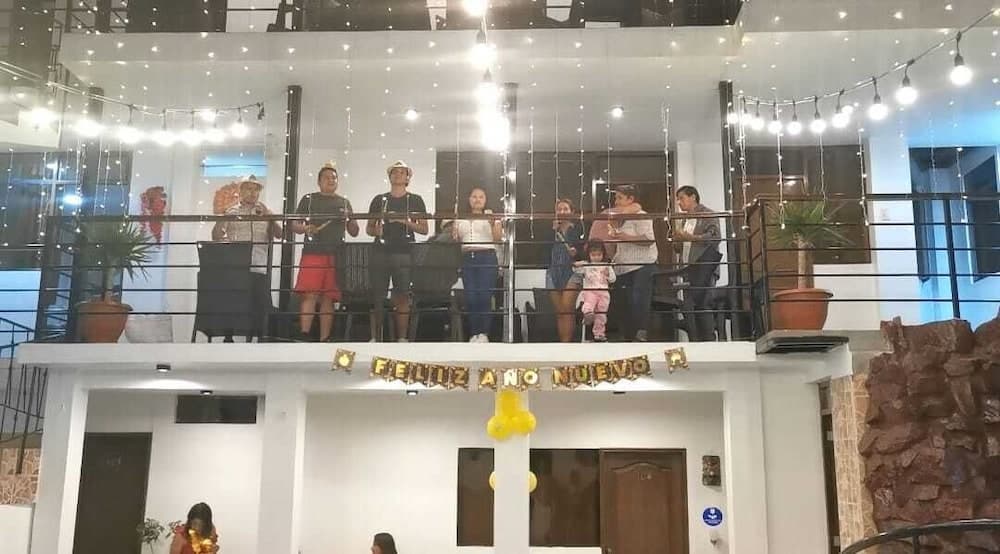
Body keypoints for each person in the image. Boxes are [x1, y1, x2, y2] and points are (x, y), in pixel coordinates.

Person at [290, 162, 360, 342]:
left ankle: (325, 338)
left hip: (337, 255)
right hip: (312, 252)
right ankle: (304, 335)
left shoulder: (344, 202)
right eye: (327, 177)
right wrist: (306, 229)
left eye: (334, 178)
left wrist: (349, 219)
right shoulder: (309, 199)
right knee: (310, 294)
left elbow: (354, 231)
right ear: (319, 181)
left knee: (329, 297)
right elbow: (294, 225)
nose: (331, 180)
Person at [211, 177, 281, 342]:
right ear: (241, 191)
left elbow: (279, 234)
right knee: (233, 304)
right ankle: (228, 339)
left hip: (259, 266)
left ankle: (260, 340)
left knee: (260, 306)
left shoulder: (265, 211)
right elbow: (216, 236)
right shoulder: (231, 212)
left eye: (256, 189)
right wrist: (222, 217)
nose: (252, 192)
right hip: (237, 267)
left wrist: (270, 217)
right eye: (249, 188)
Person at [366, 161, 428, 342]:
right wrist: (377, 230)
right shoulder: (379, 200)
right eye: (395, 172)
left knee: (402, 295)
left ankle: (402, 338)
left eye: (402, 172)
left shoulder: (415, 200)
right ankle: (376, 338)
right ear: (390, 176)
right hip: (380, 251)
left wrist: (404, 221)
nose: (398, 174)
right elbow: (369, 229)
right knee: (378, 295)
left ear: (408, 177)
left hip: (404, 252)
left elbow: (424, 229)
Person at [452, 187, 502, 343]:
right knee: (471, 296)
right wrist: (452, 228)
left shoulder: (492, 216)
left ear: (485, 200)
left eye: (481, 197)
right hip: (467, 257)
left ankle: (484, 333)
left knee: (485, 296)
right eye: (474, 196)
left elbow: (498, 238)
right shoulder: (460, 218)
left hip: (487, 257)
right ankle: (474, 333)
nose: (477, 199)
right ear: (469, 199)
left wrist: (492, 223)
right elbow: (456, 239)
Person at [608, 185, 657, 342]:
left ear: (631, 199)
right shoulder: (618, 218)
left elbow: (648, 240)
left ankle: (641, 334)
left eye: (620, 198)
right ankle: (626, 337)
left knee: (638, 299)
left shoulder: (642, 216)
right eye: (615, 198)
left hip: (642, 264)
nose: (616, 201)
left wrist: (625, 237)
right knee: (623, 302)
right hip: (623, 266)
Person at [674, 185, 722, 342]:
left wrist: (691, 238)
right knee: (689, 306)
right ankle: (694, 340)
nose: (679, 202)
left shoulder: (708, 214)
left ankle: (709, 340)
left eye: (681, 198)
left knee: (704, 303)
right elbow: (679, 248)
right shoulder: (684, 220)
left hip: (704, 267)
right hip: (688, 268)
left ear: (693, 197)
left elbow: (715, 238)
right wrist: (678, 239)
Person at [547, 198, 584, 343]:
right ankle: (563, 343)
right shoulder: (550, 230)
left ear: (572, 212)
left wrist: (577, 252)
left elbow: (585, 251)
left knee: (567, 309)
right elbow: (542, 251)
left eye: (565, 209)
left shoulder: (578, 229)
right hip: (553, 272)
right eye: (559, 209)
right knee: (560, 312)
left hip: (572, 271)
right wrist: (552, 231)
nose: (562, 212)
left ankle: (567, 345)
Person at [574, 240, 616, 342]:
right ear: (588, 254)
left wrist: (608, 274)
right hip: (591, 290)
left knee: (601, 314)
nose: (596, 257)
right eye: (593, 255)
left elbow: (613, 279)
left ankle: (599, 334)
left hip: (603, 293)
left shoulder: (607, 265)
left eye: (599, 255)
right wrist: (577, 263)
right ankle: (588, 313)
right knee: (589, 302)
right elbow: (575, 270)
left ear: (603, 254)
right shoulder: (586, 265)